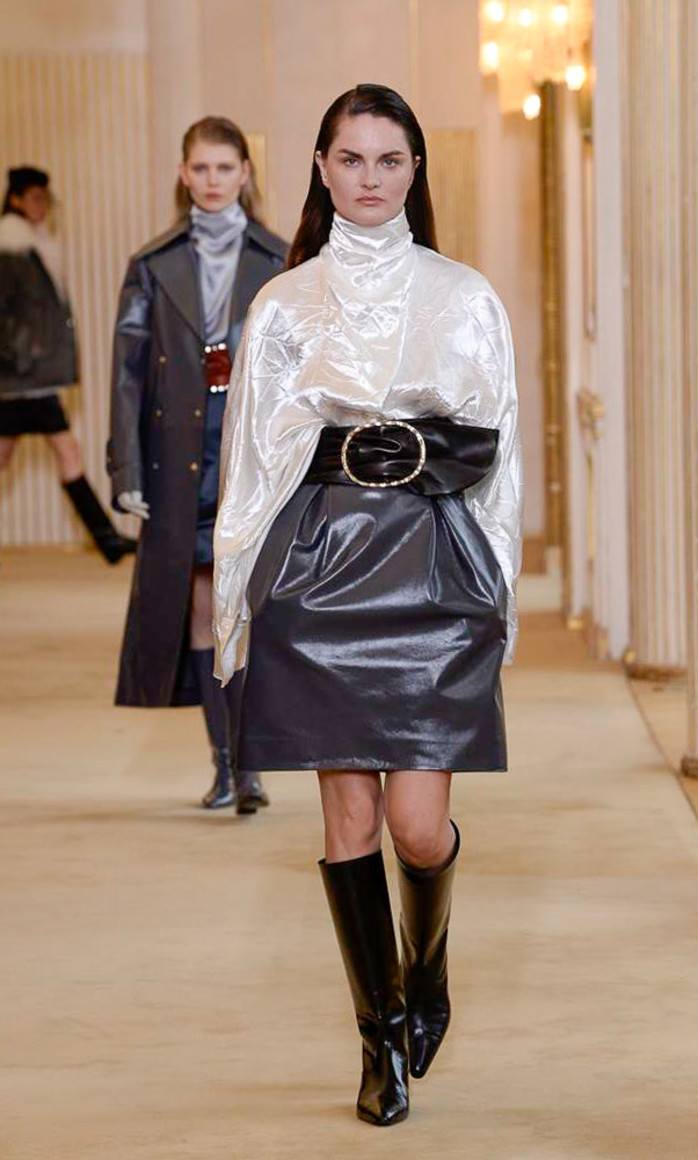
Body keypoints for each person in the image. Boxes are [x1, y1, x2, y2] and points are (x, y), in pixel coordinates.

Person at [213, 85, 523, 1124]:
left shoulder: (465, 297)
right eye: (351, 158)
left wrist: (500, 593)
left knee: (418, 826)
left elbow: (498, 454)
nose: (371, 178)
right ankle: (378, 1033)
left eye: (391, 159)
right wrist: (238, 599)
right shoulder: (283, 303)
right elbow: (251, 461)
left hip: (433, 568)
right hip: (320, 572)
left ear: (415, 169)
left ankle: (425, 965)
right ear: (320, 166)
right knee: (349, 816)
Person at [107, 117, 287, 813]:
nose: (213, 181)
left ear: (245, 173)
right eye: (201, 168)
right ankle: (230, 766)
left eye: (225, 167)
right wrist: (127, 468)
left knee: (252, 609)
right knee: (205, 608)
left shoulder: (280, 260)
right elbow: (128, 374)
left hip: (254, 449)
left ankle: (253, 759)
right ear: (184, 175)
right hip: (181, 452)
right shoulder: (153, 263)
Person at [0, 166, 135, 563]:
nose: (42, 206)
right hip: (21, 378)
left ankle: (107, 538)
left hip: (27, 378)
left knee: (51, 452)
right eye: (34, 198)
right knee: (64, 450)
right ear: (16, 200)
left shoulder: (32, 244)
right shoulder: (11, 246)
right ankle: (107, 538)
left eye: (45, 198)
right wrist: (21, 354)